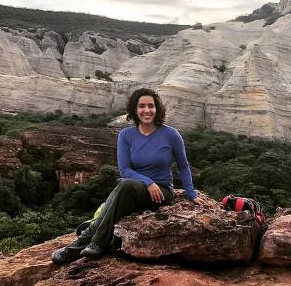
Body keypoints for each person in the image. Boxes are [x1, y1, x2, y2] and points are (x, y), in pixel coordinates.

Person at [52, 88, 204, 264]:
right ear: (134, 109)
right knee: (122, 187)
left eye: (151, 106)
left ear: (157, 109)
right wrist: (147, 182)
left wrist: (191, 193)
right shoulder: (126, 135)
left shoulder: (170, 134)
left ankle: (94, 243)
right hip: (133, 189)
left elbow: (184, 166)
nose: (146, 110)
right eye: (141, 106)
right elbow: (125, 169)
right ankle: (81, 246)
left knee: (123, 187)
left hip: (161, 192)